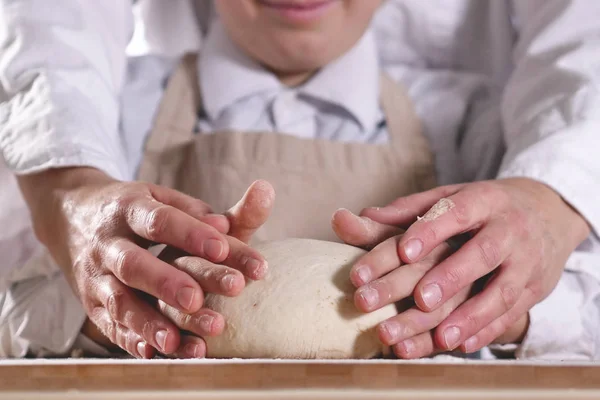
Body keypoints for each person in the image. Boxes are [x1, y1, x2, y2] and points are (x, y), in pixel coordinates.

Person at [0, 0, 599, 361]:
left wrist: (499, 308)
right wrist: (113, 300)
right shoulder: (104, 122)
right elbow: (14, 301)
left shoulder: (473, 129)